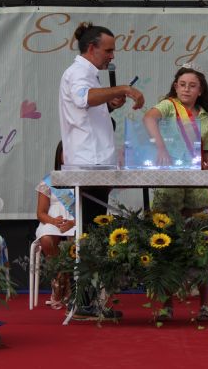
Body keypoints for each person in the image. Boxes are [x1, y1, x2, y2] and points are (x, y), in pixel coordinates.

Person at [58, 22, 144, 320]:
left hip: (96, 163)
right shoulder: (78, 73)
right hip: (87, 164)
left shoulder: (87, 74)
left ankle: (89, 299)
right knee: (90, 234)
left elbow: (88, 110)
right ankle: (83, 300)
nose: (111, 55)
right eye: (108, 50)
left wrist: (111, 102)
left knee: (94, 232)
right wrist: (121, 88)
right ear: (91, 48)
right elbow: (83, 99)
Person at [143, 64, 208, 322]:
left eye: (192, 85)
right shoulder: (168, 106)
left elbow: (207, 151)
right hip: (169, 181)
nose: (186, 88)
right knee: (165, 240)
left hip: (196, 184)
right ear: (176, 86)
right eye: (182, 84)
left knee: (201, 241)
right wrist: (160, 146)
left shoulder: (205, 116)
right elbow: (148, 118)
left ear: (200, 90)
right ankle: (165, 303)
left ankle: (205, 305)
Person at [35, 141, 75, 310]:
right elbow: (40, 213)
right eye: (66, 152)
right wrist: (54, 221)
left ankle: (67, 285)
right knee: (46, 240)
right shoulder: (48, 180)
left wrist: (73, 222)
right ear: (59, 155)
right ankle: (62, 277)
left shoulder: (86, 179)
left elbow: (90, 208)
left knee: (78, 242)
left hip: (75, 220)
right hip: (52, 220)